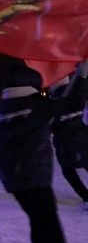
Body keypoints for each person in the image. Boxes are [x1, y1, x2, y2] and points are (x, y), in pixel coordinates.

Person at [0, 63, 88, 243]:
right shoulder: (37, 105)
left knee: (37, 214)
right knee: (47, 218)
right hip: (33, 172)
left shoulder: (2, 109)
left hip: (11, 175)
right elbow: (72, 103)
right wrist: (82, 74)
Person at [49, 72, 88, 210]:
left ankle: (85, 196)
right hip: (82, 137)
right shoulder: (75, 93)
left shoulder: (53, 102)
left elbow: (50, 126)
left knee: (68, 171)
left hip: (65, 142)